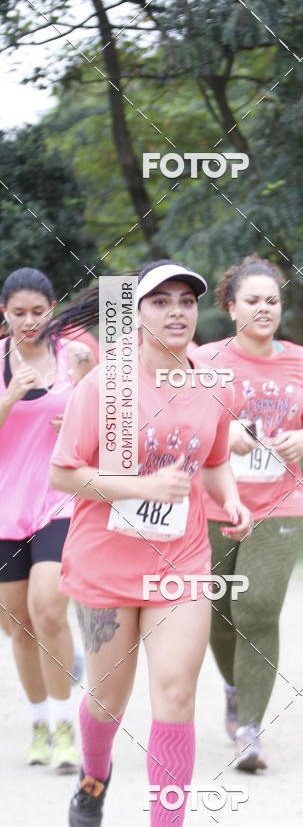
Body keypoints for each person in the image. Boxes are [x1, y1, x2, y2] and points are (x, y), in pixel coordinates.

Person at [46, 261, 253, 826]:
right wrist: (142, 486)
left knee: (176, 696)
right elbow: (63, 475)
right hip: (104, 562)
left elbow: (212, 463)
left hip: (180, 562)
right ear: (136, 314)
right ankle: (94, 777)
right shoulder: (106, 385)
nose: (177, 312)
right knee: (107, 699)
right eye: (161, 302)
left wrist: (230, 501)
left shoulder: (209, 383)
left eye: (187, 301)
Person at [195, 255, 303, 771]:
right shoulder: (205, 360)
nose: (264, 308)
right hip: (212, 502)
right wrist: (221, 437)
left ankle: (249, 728)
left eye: (272, 300)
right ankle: (234, 687)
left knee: (257, 607)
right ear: (232, 308)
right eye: (252, 300)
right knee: (216, 613)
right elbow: (183, 415)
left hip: (283, 503)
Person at [0, 267, 94, 771]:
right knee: (18, 626)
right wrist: (12, 394)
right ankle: (39, 725)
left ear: (52, 310)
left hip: (59, 502)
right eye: (19, 313)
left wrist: (78, 407)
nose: (30, 321)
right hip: (4, 509)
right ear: (4, 314)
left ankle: (65, 728)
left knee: (49, 611)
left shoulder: (76, 358)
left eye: (39, 312)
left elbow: (110, 429)